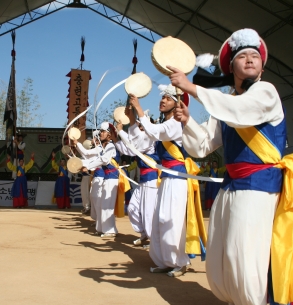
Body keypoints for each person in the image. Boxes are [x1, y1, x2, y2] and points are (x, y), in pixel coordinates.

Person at [170, 28, 293, 305]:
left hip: (259, 187)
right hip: (232, 186)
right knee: (221, 258)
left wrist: (193, 88)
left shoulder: (265, 92)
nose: (250, 60)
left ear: (262, 65)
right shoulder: (227, 103)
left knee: (244, 257)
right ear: (231, 66)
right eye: (242, 56)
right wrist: (186, 122)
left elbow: (242, 110)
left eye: (255, 56)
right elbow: (203, 146)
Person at [129, 83, 205, 278]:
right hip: (166, 180)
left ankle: (180, 261)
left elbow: (154, 132)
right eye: (162, 97)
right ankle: (164, 260)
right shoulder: (164, 125)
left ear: (177, 103)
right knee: (160, 220)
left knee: (173, 220)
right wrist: (132, 121)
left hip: (178, 179)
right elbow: (141, 140)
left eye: (168, 98)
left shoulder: (176, 125)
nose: (162, 100)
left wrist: (139, 108)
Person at [115, 114, 160, 247]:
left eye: (141, 125)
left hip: (152, 180)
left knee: (148, 211)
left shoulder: (150, 138)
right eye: (139, 125)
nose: (139, 127)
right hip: (143, 181)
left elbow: (133, 147)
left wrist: (120, 131)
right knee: (133, 208)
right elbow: (129, 149)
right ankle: (144, 233)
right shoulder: (141, 142)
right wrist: (116, 139)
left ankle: (153, 240)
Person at [80, 122, 129, 238]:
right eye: (101, 131)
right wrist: (79, 163)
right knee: (102, 204)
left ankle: (110, 230)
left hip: (112, 178)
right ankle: (102, 228)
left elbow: (104, 160)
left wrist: (88, 166)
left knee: (107, 205)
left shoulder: (111, 146)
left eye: (103, 131)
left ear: (109, 134)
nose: (100, 134)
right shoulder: (104, 147)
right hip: (107, 178)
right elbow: (91, 157)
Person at [74, 134, 104, 225]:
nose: (93, 140)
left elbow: (87, 154)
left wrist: (78, 144)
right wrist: (77, 147)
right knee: (94, 197)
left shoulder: (100, 148)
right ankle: (98, 219)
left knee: (97, 198)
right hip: (96, 176)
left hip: (101, 176)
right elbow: (86, 156)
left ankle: (101, 220)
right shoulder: (97, 149)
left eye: (95, 138)